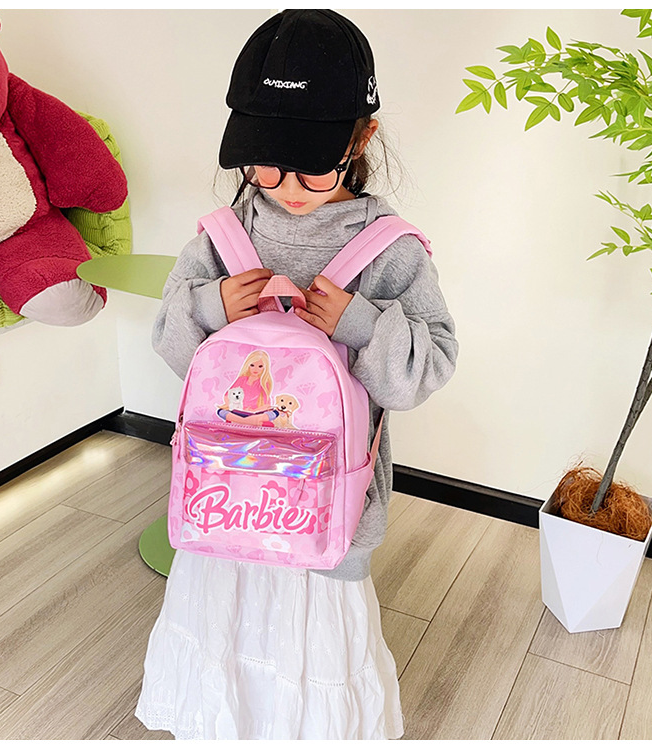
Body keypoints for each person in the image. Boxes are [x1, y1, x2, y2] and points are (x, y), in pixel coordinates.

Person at [135, 9, 458, 740]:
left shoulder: (390, 250)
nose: (284, 185)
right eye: (264, 161)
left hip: (327, 513)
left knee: (315, 649)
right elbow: (173, 345)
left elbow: (429, 365)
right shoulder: (226, 235)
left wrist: (362, 324)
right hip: (225, 498)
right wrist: (209, 307)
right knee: (223, 625)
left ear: (360, 139)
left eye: (310, 162)